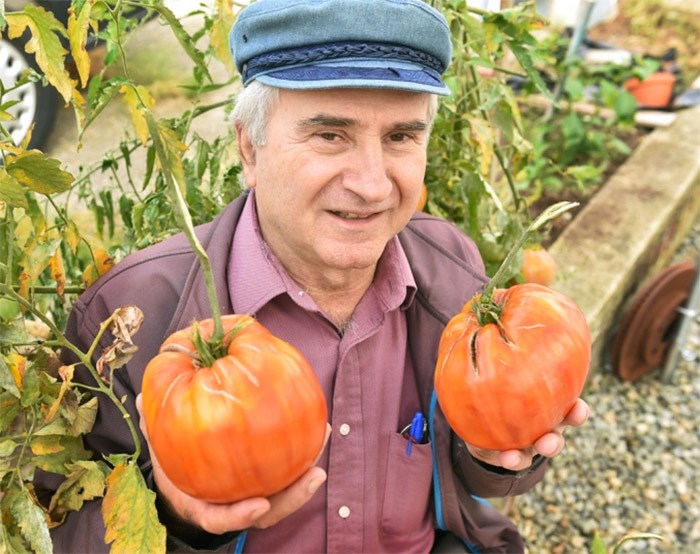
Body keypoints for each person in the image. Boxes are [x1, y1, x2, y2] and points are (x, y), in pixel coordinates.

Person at [37, 0, 589, 552]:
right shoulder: (130, 318)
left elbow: (471, 469)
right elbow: (55, 519)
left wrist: (493, 454)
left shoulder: (450, 265)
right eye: (330, 135)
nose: (373, 185)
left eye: (400, 136)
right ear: (250, 149)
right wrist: (171, 515)